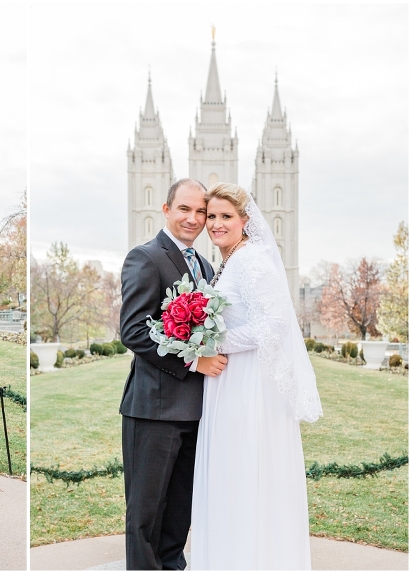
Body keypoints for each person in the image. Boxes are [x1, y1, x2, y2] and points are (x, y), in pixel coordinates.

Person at [191, 183, 322, 569]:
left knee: (246, 471)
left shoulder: (251, 260)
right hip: (228, 382)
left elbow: (276, 323)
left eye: (225, 216)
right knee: (230, 475)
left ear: (245, 221)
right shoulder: (231, 262)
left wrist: (216, 343)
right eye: (211, 216)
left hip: (248, 383)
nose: (215, 224)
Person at [119, 178, 228, 570]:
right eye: (185, 209)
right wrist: (193, 362)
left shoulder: (206, 265)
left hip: (196, 411)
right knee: (146, 516)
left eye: (201, 211)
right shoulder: (145, 257)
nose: (194, 218)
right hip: (154, 409)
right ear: (166, 209)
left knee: (180, 511)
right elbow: (133, 330)